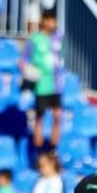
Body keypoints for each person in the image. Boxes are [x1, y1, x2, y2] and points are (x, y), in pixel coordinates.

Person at [26, 11, 63, 151]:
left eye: (55, 21)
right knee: (40, 117)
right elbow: (23, 60)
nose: (55, 24)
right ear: (44, 21)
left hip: (57, 84)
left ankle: (53, 149)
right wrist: (31, 72)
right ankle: (39, 150)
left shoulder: (57, 38)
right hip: (42, 84)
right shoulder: (35, 39)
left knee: (58, 116)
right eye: (52, 20)